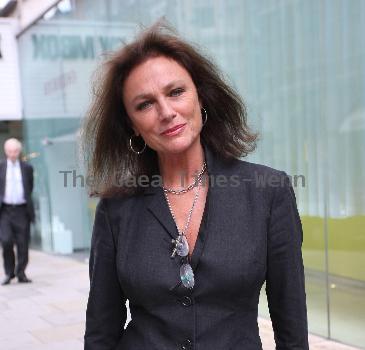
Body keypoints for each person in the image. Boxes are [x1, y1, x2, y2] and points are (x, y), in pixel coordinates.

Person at [82, 22, 309, 349]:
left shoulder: (267, 191)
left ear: (200, 97)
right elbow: (101, 330)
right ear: (132, 125)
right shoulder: (116, 208)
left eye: (176, 92)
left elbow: (291, 323)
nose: (166, 112)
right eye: (145, 104)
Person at [0, 138, 34, 285]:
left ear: (19, 151)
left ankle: (21, 272)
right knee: (6, 241)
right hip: (5, 211)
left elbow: (30, 187)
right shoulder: (0, 166)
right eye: (10, 151)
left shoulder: (27, 168)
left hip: (21, 210)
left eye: (15, 151)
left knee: (23, 244)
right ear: (5, 151)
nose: (13, 154)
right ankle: (9, 273)